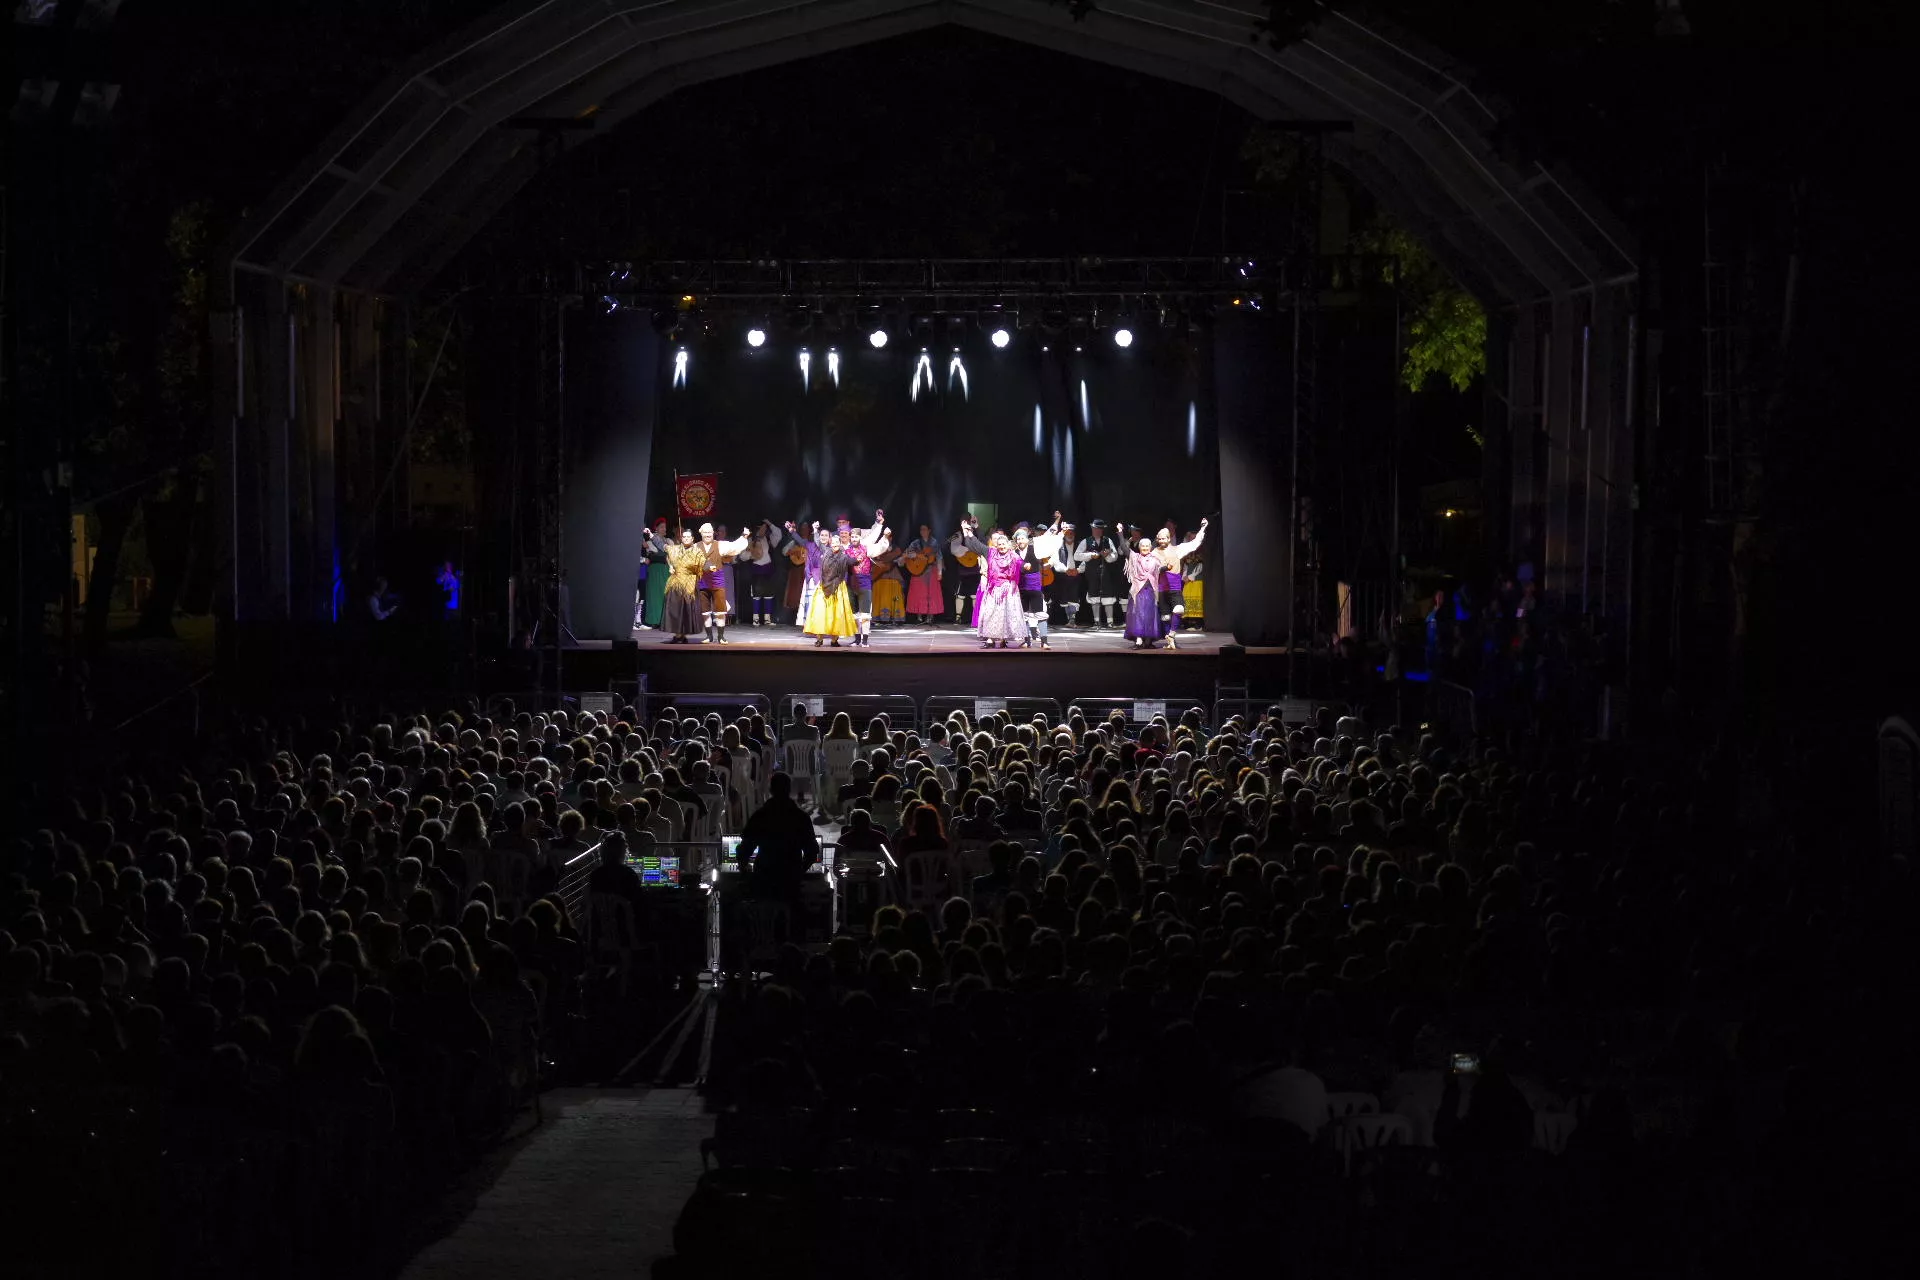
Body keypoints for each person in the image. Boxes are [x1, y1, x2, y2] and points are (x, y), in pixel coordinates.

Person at [738, 772, 821, 902]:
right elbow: (812, 852)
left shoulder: (760, 816)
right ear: (789, 790)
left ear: (770, 790)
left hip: (764, 878)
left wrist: (746, 872)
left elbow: (744, 849)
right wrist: (799, 872)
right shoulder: (801, 817)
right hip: (791, 880)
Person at [955, 518, 1025, 649]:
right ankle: (990, 640)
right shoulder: (991, 552)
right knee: (990, 614)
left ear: (1008, 545)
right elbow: (975, 545)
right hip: (994, 589)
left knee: (1005, 615)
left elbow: (1020, 563)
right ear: (996, 545)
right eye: (999, 544)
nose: (1002, 546)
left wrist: (1025, 566)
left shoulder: (1013, 555)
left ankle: (1003, 639)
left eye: (1004, 544)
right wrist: (967, 533)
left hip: (1008, 589)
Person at [793, 521, 857, 648]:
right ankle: (819, 639)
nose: (835, 545)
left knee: (836, 614)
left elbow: (852, 561)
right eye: (833, 543)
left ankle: (834, 640)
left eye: (837, 543)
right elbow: (818, 541)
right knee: (820, 613)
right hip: (823, 587)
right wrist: (815, 531)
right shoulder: (825, 550)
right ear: (830, 543)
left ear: (840, 544)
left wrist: (859, 558)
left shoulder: (844, 556)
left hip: (838, 588)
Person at [1010, 515, 1067, 650]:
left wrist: (1061, 533)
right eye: (1018, 538)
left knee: (1040, 614)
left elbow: (1048, 538)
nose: (1020, 540)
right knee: (1024, 615)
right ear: (1016, 541)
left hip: (1035, 588)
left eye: (1022, 538)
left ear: (1027, 539)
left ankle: (1044, 641)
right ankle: (1026, 641)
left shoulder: (1035, 548)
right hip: (1022, 588)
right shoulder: (1013, 553)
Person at [693, 521, 752, 644]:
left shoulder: (720, 545)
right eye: (705, 532)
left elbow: (734, 546)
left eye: (710, 532)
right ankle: (709, 636)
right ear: (701, 533)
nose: (708, 534)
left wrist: (743, 537)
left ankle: (721, 636)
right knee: (705, 612)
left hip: (717, 582)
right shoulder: (695, 547)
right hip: (703, 583)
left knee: (720, 611)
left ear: (713, 533)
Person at [1151, 519, 1207, 649]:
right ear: (1157, 539)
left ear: (1169, 538)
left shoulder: (1177, 549)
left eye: (1164, 538)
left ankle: (1171, 634)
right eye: (1160, 539)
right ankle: (1169, 641)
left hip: (1175, 587)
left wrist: (1203, 528)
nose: (1162, 541)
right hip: (1161, 589)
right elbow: (1151, 569)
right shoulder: (1153, 553)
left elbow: (1194, 543)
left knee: (1179, 609)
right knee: (1165, 617)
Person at [843, 512, 890, 648]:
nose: (854, 539)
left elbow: (880, 547)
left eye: (856, 536)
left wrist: (885, 536)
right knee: (855, 614)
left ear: (860, 537)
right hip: (851, 584)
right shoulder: (846, 551)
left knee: (865, 614)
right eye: (852, 536)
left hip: (864, 584)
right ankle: (857, 639)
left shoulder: (866, 549)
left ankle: (864, 640)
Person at [1123, 534, 1163, 650]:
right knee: (1138, 615)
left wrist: (1166, 568)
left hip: (1150, 591)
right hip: (1138, 592)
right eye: (1143, 546)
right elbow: (1125, 549)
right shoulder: (1135, 557)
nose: (1145, 548)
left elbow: (1160, 570)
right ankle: (1139, 640)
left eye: (1147, 546)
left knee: (1150, 616)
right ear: (1139, 547)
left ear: (1150, 547)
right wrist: (1120, 533)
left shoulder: (1155, 559)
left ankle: (1148, 641)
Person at [740, 519, 781, 627]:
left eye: (764, 528)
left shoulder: (769, 539)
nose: (762, 530)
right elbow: (742, 556)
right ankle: (756, 619)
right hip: (756, 570)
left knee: (769, 594)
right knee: (756, 595)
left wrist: (769, 523)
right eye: (760, 528)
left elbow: (778, 534)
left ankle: (767, 619)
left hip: (768, 569)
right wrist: (751, 555)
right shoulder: (750, 540)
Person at [903, 523, 945, 624]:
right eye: (921, 529)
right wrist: (916, 555)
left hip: (931, 570)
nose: (923, 531)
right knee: (919, 593)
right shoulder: (916, 543)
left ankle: (930, 616)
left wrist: (939, 572)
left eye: (925, 529)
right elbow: (907, 553)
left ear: (929, 530)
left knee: (932, 593)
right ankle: (919, 617)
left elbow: (939, 557)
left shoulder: (934, 542)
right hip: (918, 570)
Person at [1046, 519, 1083, 630]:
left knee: (1074, 596)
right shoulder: (1059, 545)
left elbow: (1085, 560)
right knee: (1064, 597)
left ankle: (1072, 619)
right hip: (1063, 575)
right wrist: (1065, 570)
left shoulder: (1080, 545)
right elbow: (1055, 560)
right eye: (1067, 533)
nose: (1069, 535)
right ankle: (1068, 619)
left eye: (1071, 533)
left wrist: (1078, 570)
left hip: (1076, 574)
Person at [948, 516, 982, 628]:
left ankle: (976, 617)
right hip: (962, 568)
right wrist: (969, 549)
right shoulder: (957, 534)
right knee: (960, 595)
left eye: (969, 521)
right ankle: (958, 617)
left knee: (974, 595)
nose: (968, 523)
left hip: (975, 568)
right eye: (965, 521)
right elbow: (953, 549)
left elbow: (983, 544)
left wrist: (977, 528)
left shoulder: (976, 533)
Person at [642, 517, 670, 628]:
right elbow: (654, 554)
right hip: (655, 571)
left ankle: (664, 620)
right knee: (654, 595)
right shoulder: (650, 542)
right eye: (661, 527)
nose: (664, 529)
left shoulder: (668, 541)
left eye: (665, 527)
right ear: (656, 529)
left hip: (666, 570)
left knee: (665, 595)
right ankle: (654, 620)